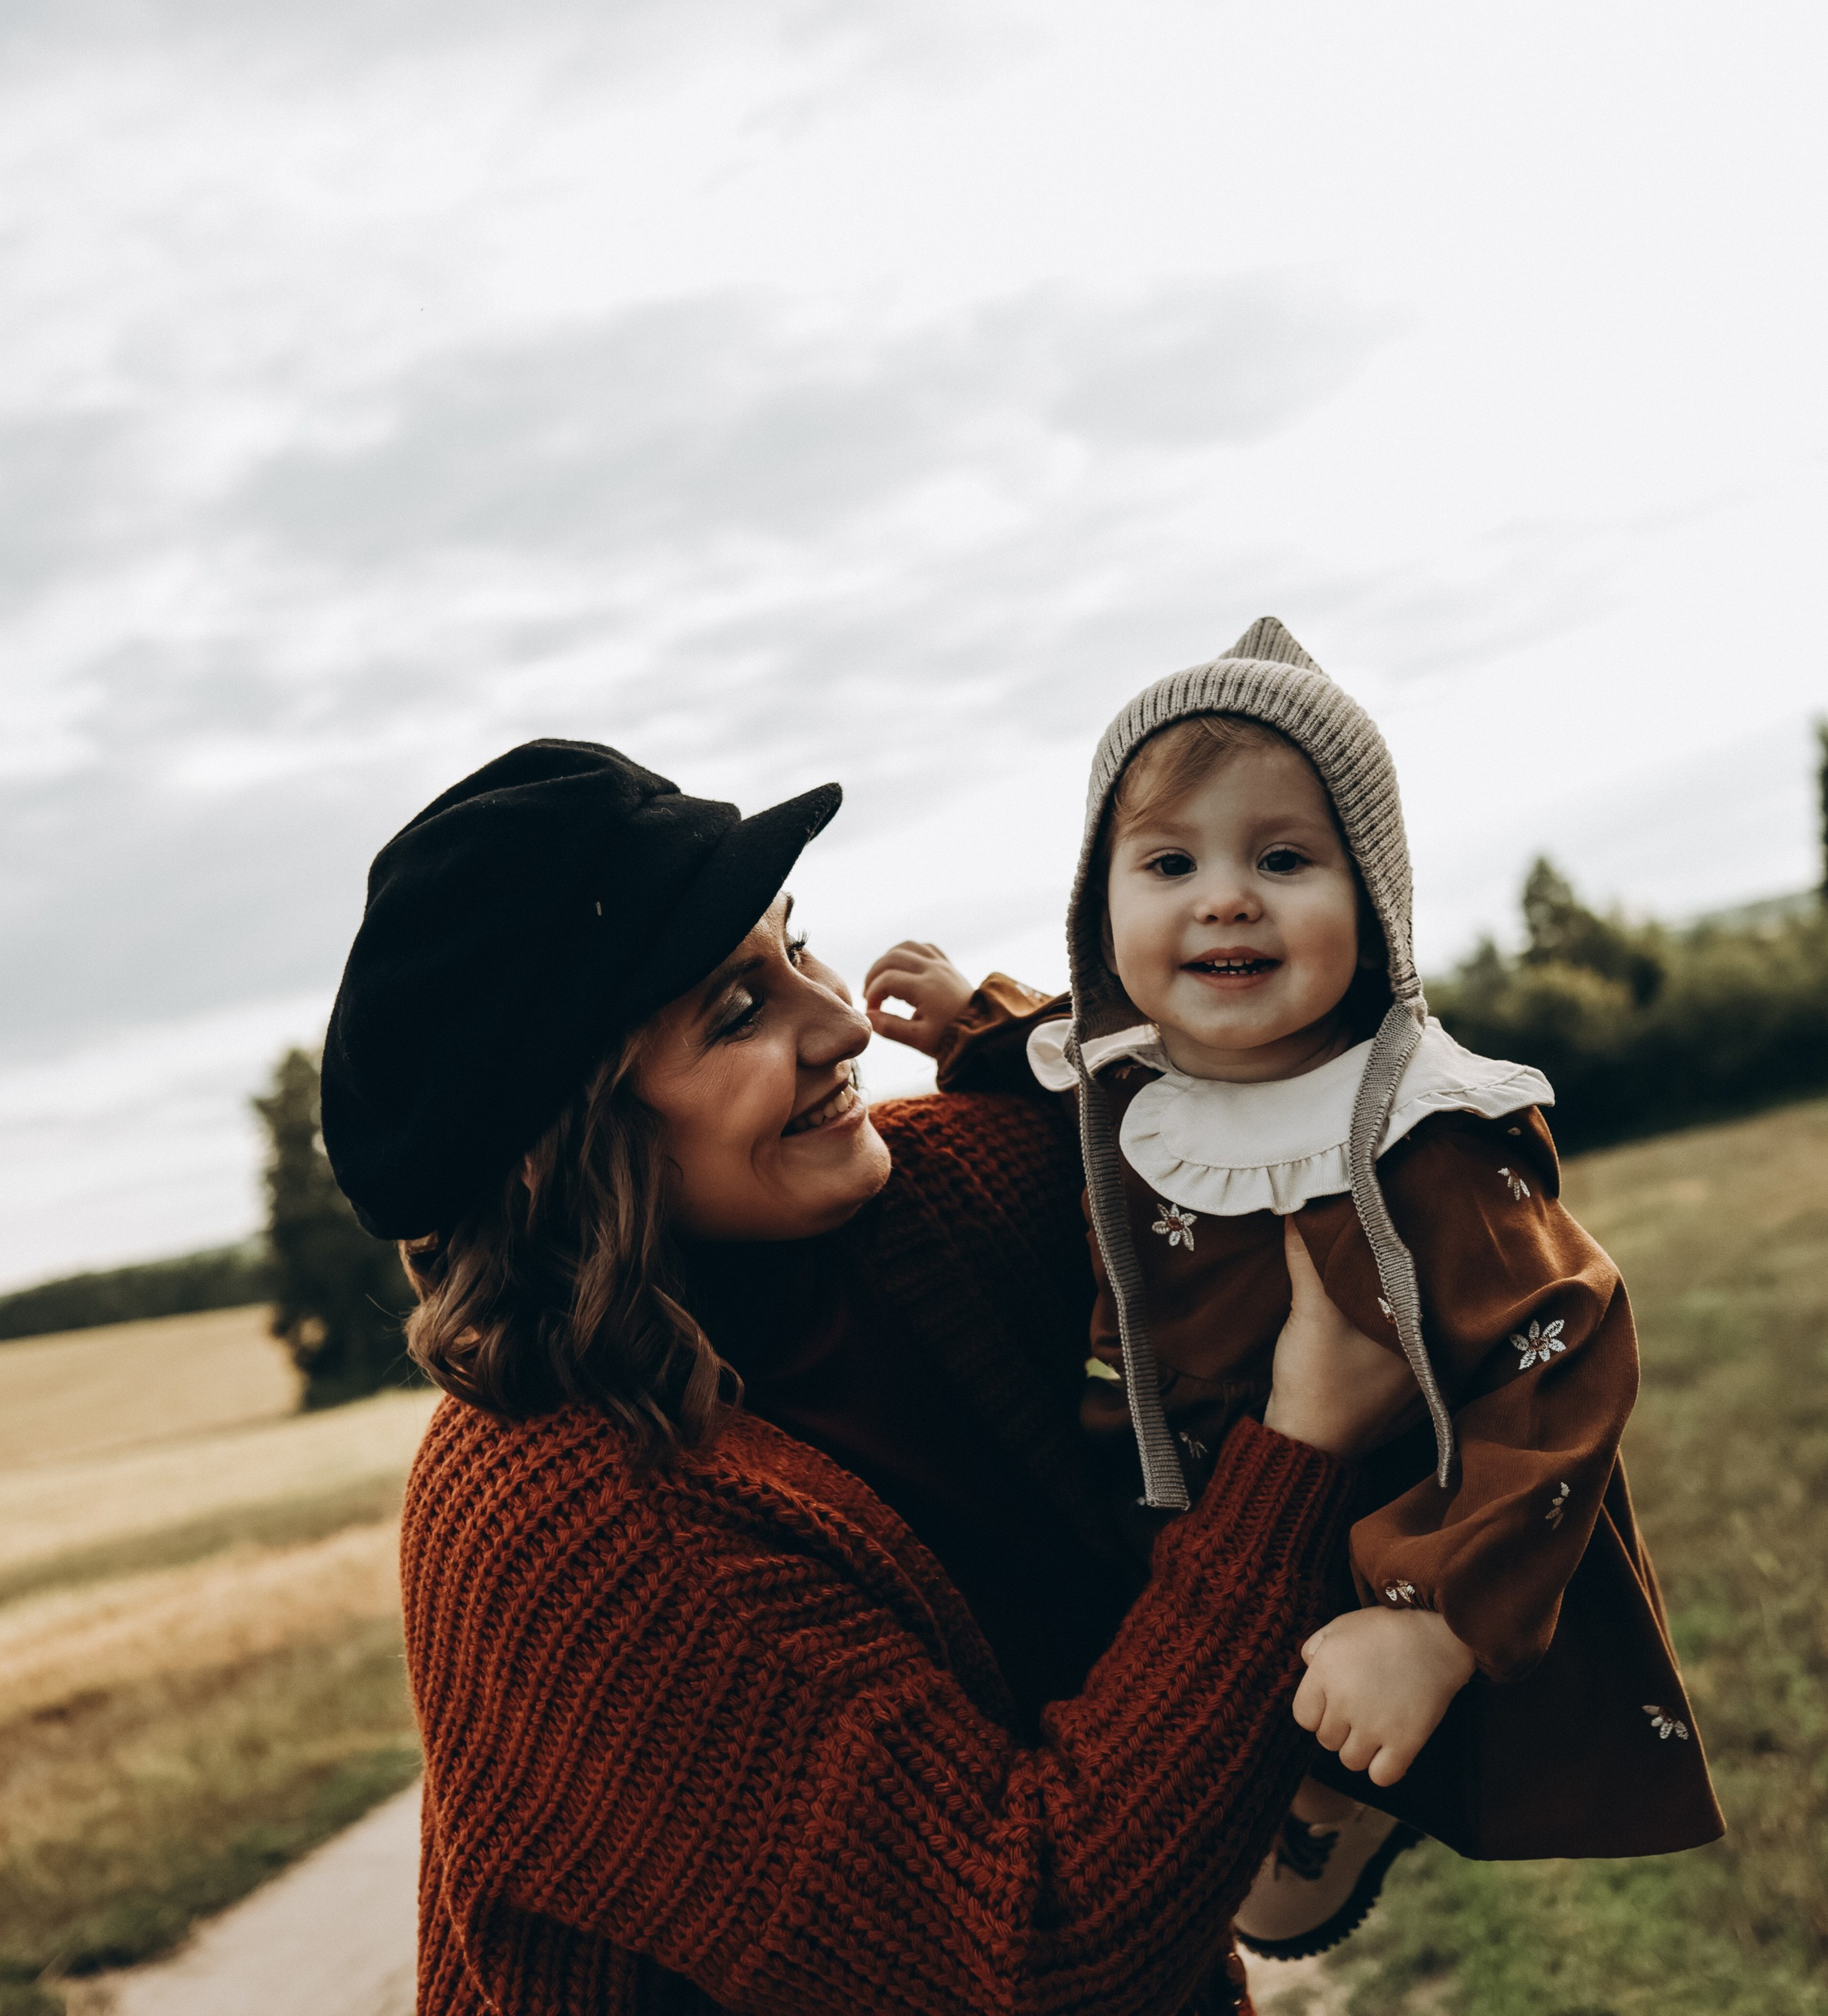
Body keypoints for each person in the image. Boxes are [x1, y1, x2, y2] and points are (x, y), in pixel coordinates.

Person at [320, 734, 1419, 2016]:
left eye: (795, 948)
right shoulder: (563, 1525)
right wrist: (1305, 1449)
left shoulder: (920, 1210)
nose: (840, 1023)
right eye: (734, 1010)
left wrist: (1019, 1020)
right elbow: (1033, 1955)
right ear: (551, 1150)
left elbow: (1270, 1098)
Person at [870, 617, 1720, 1964]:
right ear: (1104, 905)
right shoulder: (1134, 1075)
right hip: (1186, 1502)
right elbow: (1061, 1039)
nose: (1225, 898)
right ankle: (1290, 1787)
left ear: (1372, 899)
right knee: (1149, 1700)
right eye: (1169, 862)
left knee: (1340, 1690)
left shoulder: (1421, 1135)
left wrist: (1431, 1619)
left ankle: (1343, 1792)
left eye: (1282, 859)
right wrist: (973, 1015)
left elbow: (1567, 1344)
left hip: (1386, 1521)